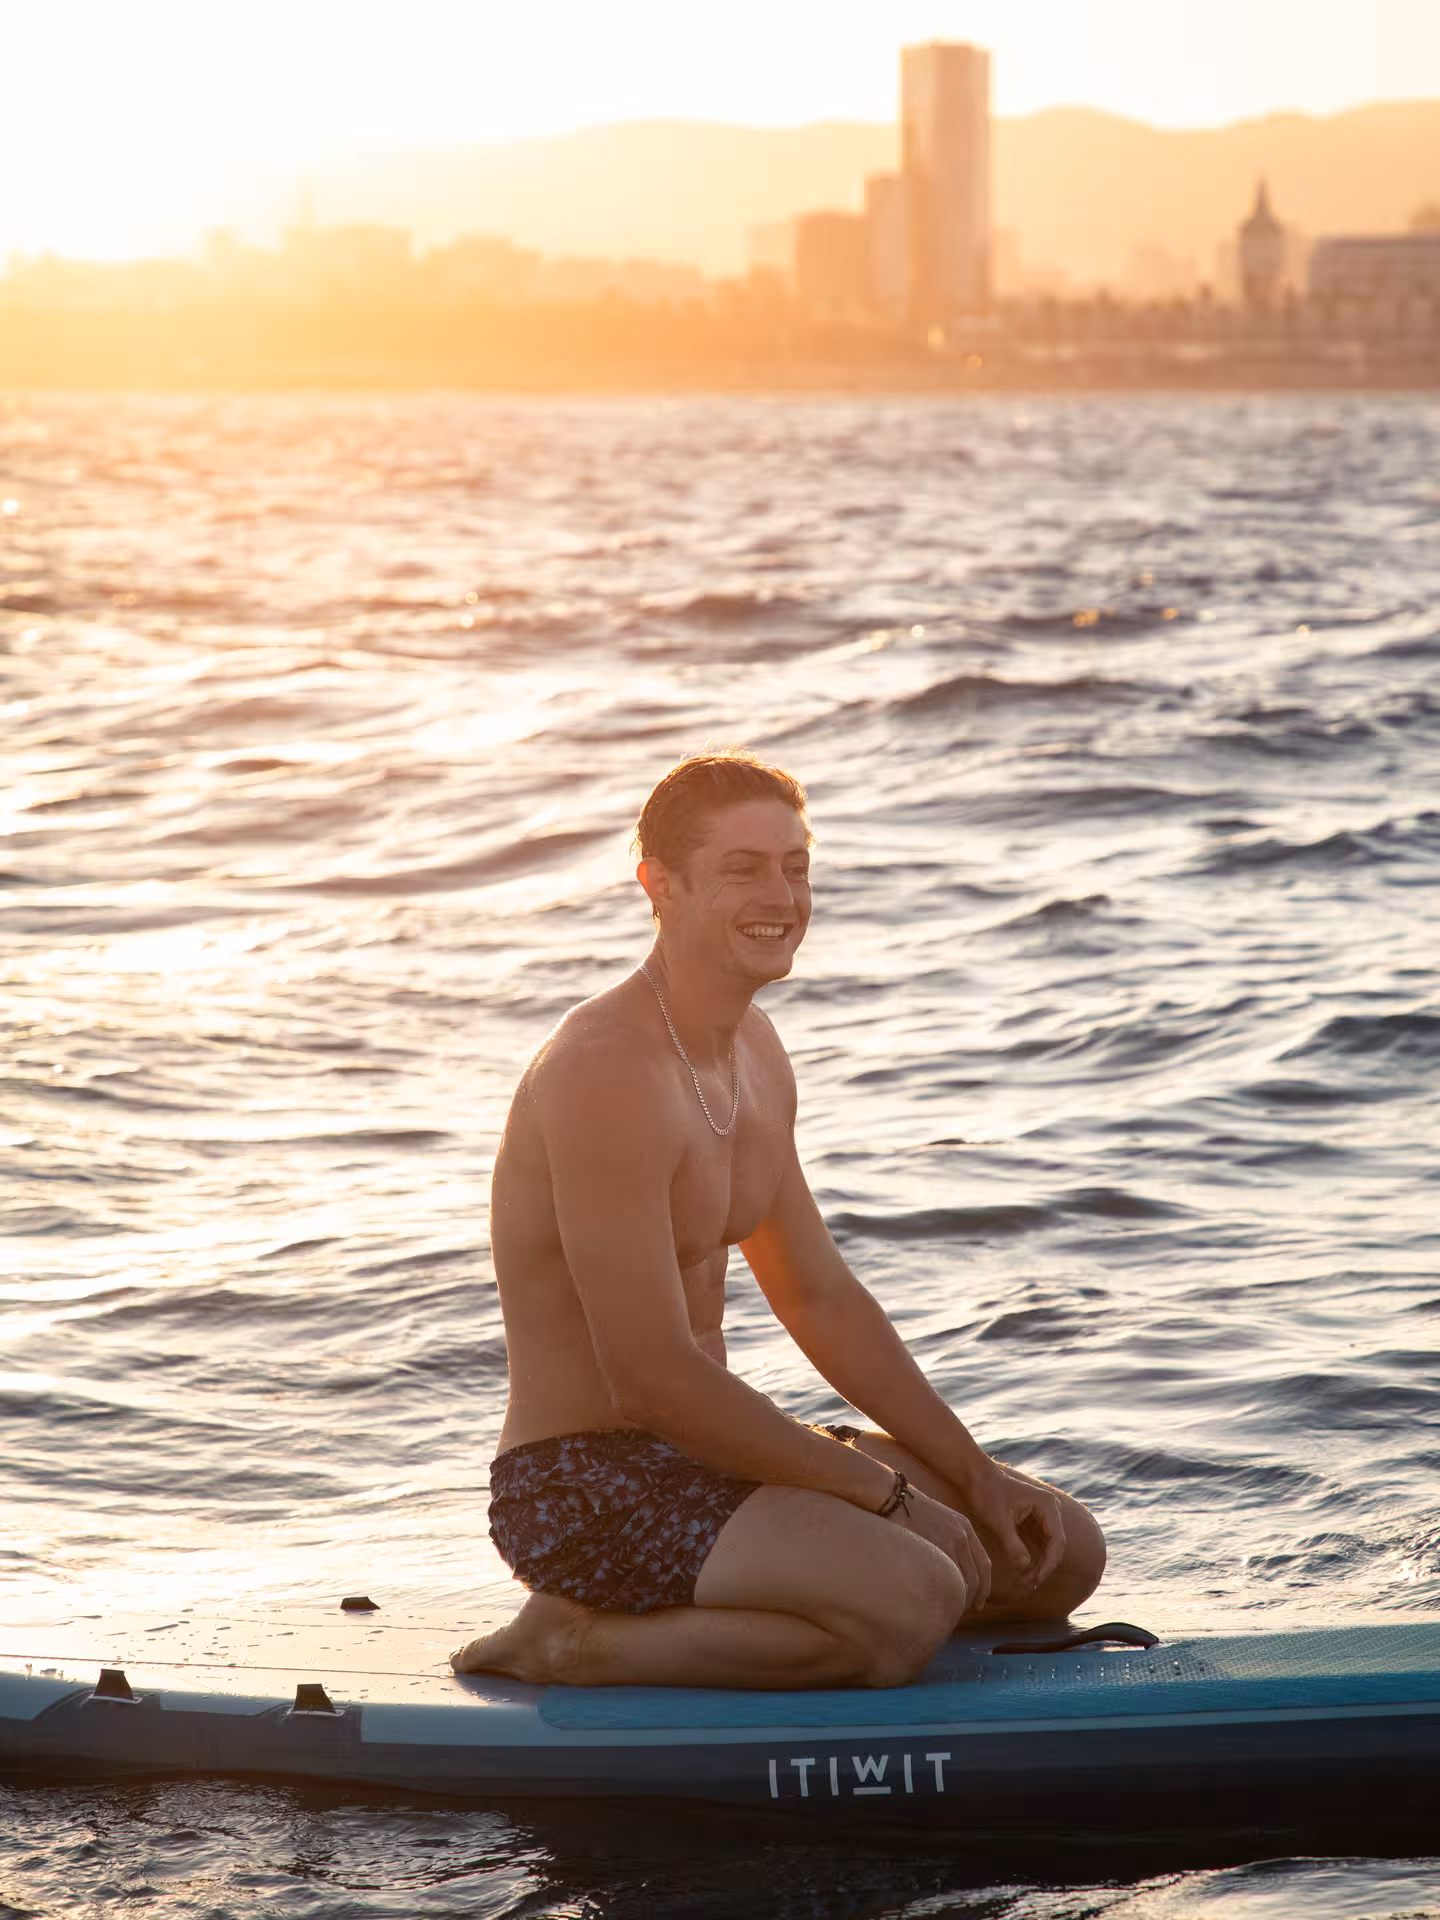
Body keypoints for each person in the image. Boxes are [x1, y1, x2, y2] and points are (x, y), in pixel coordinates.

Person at [453, 751, 1104, 1690]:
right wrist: (873, 1493)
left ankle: (799, 1581)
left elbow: (820, 1295)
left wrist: (972, 1472)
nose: (782, 894)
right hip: (588, 1488)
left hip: (717, 1457)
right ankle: (571, 1641)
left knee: (1055, 1553)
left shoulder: (753, 1050)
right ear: (660, 886)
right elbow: (648, 1381)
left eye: (796, 866)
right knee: (914, 1602)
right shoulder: (606, 1070)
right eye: (743, 868)